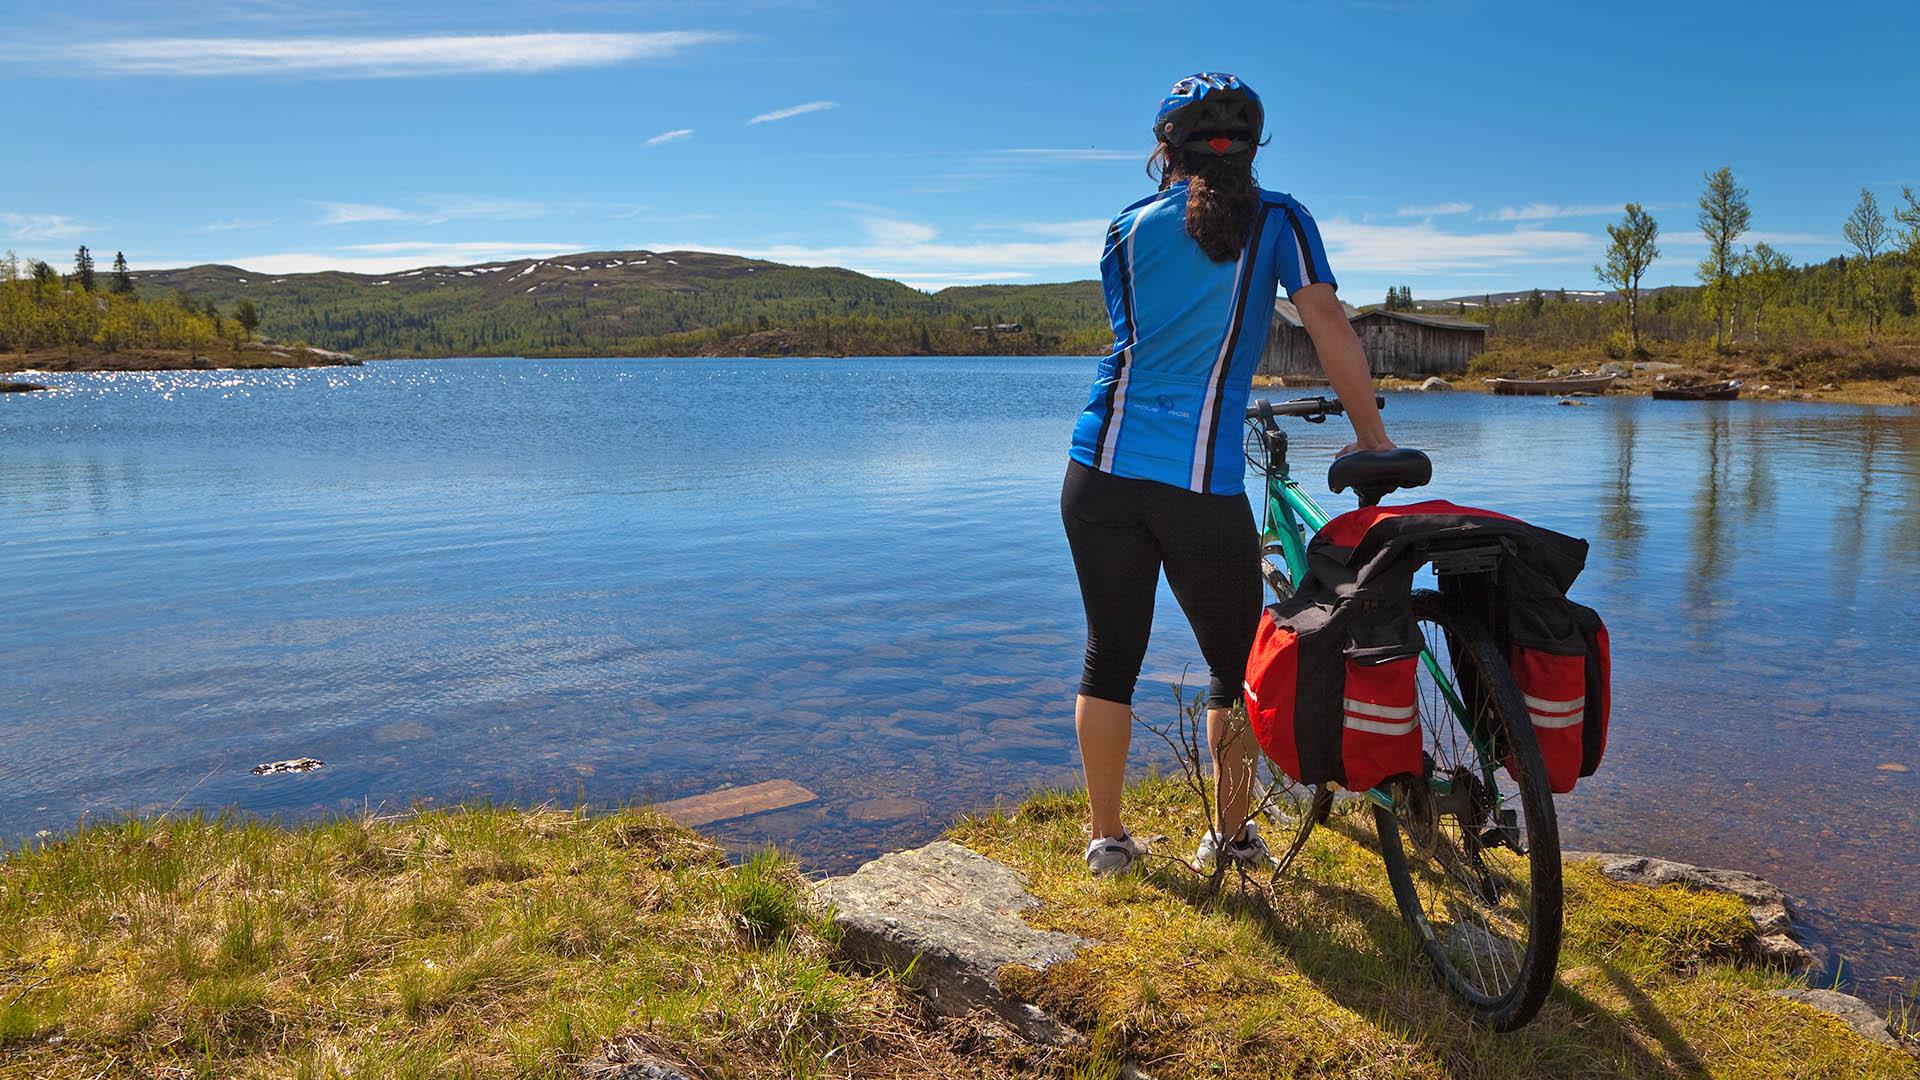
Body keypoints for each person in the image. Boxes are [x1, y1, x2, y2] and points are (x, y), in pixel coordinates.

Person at [1063, 72, 1394, 876]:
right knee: (1233, 661)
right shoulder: (1281, 218)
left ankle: (1107, 843)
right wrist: (1372, 438)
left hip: (1096, 469)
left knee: (1111, 654)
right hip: (1199, 484)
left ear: (1163, 149)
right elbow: (1325, 323)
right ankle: (1233, 836)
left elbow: (1139, 344)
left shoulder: (1124, 227)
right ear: (1252, 147)